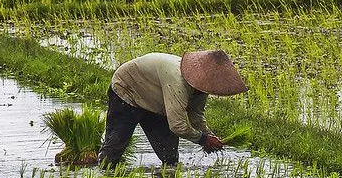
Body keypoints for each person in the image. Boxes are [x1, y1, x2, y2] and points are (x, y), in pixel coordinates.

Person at [98, 49, 247, 167]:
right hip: (127, 89)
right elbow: (178, 126)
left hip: (157, 102)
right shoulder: (177, 81)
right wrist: (203, 140)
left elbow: (196, 115)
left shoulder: (201, 88)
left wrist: (209, 135)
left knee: (170, 159)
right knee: (113, 152)